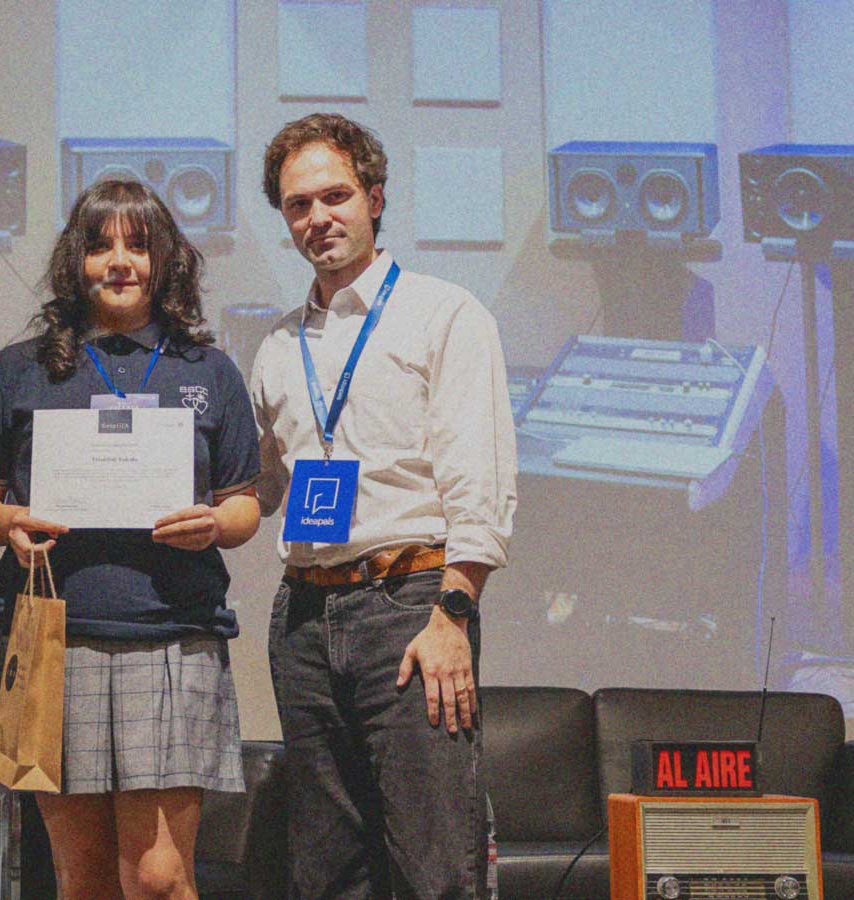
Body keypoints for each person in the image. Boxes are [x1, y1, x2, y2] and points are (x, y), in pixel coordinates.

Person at [0, 179, 261, 900]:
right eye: (99, 246)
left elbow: (243, 505)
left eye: (137, 245)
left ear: (166, 261)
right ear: (75, 261)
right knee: (82, 880)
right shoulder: (19, 368)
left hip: (173, 634)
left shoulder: (207, 371)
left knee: (157, 878)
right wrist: (8, 524)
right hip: (53, 637)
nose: (118, 262)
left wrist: (215, 525)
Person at [250, 112, 517, 899]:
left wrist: (453, 615)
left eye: (334, 196)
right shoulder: (276, 345)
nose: (317, 218)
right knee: (328, 873)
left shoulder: (444, 314)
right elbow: (262, 490)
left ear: (373, 198)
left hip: (411, 609)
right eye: (298, 205)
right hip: (302, 618)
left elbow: (479, 482)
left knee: (437, 869)